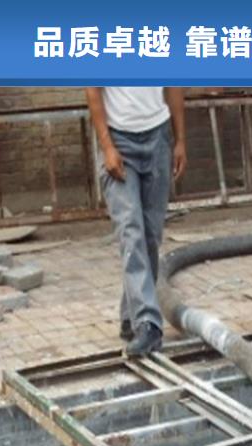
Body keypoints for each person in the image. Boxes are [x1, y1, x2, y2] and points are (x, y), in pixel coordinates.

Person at [85, 87, 186, 356]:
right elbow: (93, 90)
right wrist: (107, 147)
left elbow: (174, 85)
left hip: (159, 137)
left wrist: (180, 140)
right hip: (119, 141)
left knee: (150, 235)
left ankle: (131, 316)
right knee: (131, 231)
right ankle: (148, 323)